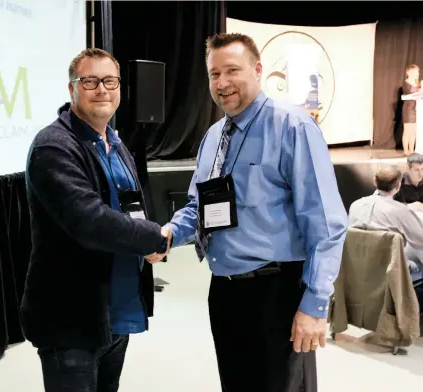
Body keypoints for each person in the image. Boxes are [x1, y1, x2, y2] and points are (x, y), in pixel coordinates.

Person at [147, 33, 348, 392]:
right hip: (224, 294)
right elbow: (200, 207)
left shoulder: (293, 127)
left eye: (232, 71)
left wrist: (316, 304)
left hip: (277, 294)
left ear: (257, 70)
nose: (222, 83)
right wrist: (168, 234)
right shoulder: (212, 137)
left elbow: (326, 223)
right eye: (213, 74)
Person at [20, 48, 170, 392]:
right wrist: (153, 238)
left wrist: (144, 241)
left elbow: (130, 209)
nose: (101, 89)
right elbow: (89, 221)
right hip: (72, 320)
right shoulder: (53, 147)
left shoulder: (115, 143)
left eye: (109, 81)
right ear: (72, 89)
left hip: (115, 314)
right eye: (90, 81)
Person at [348, 165, 423, 310]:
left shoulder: (355, 206)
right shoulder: (400, 212)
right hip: (391, 275)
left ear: (374, 181)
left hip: (359, 272)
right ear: (398, 185)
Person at [401, 64, 421, 156]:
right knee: (407, 131)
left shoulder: (418, 84)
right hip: (408, 108)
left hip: (416, 108)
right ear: (408, 72)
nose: (417, 73)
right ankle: (406, 151)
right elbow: (409, 93)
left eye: (417, 71)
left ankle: (411, 150)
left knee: (413, 131)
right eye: (415, 71)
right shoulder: (406, 82)